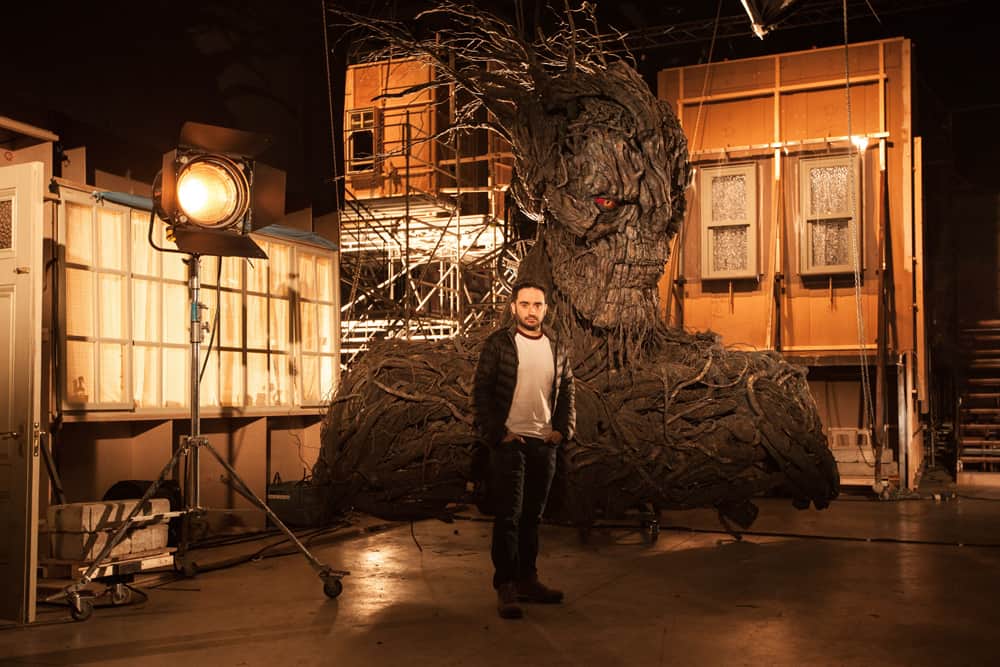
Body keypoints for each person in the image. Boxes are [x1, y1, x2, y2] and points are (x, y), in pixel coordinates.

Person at [473, 280, 576, 619]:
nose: (532, 311)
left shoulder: (557, 347)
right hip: (510, 443)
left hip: (543, 444)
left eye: (538, 305)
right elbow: (482, 393)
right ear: (513, 307)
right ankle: (506, 585)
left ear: (546, 309)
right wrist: (497, 434)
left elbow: (567, 392)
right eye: (526, 304)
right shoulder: (499, 345)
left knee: (533, 517)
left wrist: (562, 430)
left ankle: (528, 580)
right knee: (508, 517)